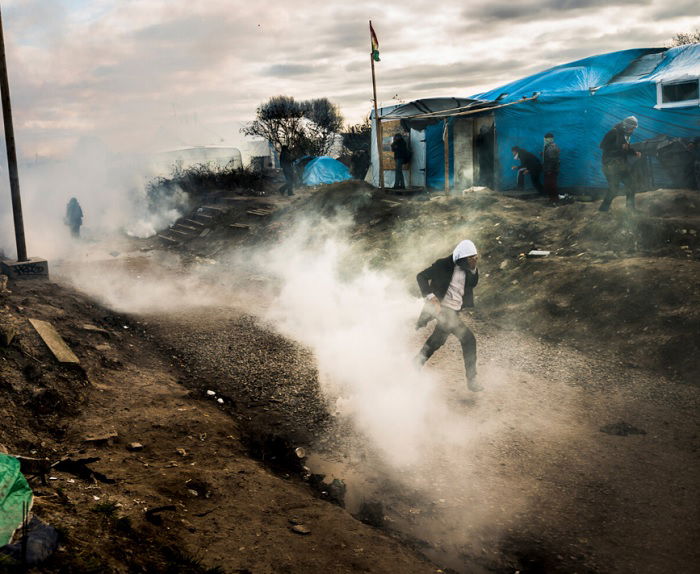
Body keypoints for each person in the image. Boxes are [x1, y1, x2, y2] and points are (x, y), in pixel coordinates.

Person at [415, 239, 483, 392]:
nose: (473, 261)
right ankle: (471, 381)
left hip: (455, 310)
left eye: (474, 258)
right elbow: (421, 277)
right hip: (443, 310)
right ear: (461, 257)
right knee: (469, 340)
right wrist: (431, 298)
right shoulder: (442, 265)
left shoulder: (469, 267)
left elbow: (473, 283)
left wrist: (473, 268)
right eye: (470, 259)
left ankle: (416, 363)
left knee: (437, 340)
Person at [599, 116, 641, 211]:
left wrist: (634, 153)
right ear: (626, 126)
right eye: (632, 127)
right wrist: (618, 148)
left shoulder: (624, 134)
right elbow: (602, 146)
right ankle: (602, 210)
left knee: (631, 185)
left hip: (621, 165)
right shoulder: (613, 132)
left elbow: (626, 147)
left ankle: (630, 210)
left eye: (634, 128)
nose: (633, 130)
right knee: (614, 189)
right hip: (610, 166)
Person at [542, 132, 560, 203]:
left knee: (551, 184)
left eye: (545, 139)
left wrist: (549, 170)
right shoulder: (549, 147)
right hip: (549, 169)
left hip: (551, 170)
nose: (544, 140)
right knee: (549, 184)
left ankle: (554, 200)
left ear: (548, 139)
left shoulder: (552, 148)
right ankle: (552, 199)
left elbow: (552, 160)